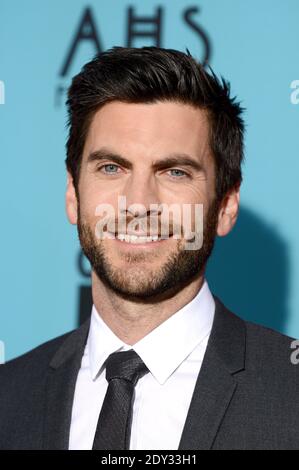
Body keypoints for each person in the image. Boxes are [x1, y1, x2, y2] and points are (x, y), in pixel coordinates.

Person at [0, 46, 298, 450]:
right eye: (111, 168)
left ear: (225, 206)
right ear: (73, 194)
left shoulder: (289, 393)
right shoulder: (9, 394)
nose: (138, 203)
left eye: (174, 172)